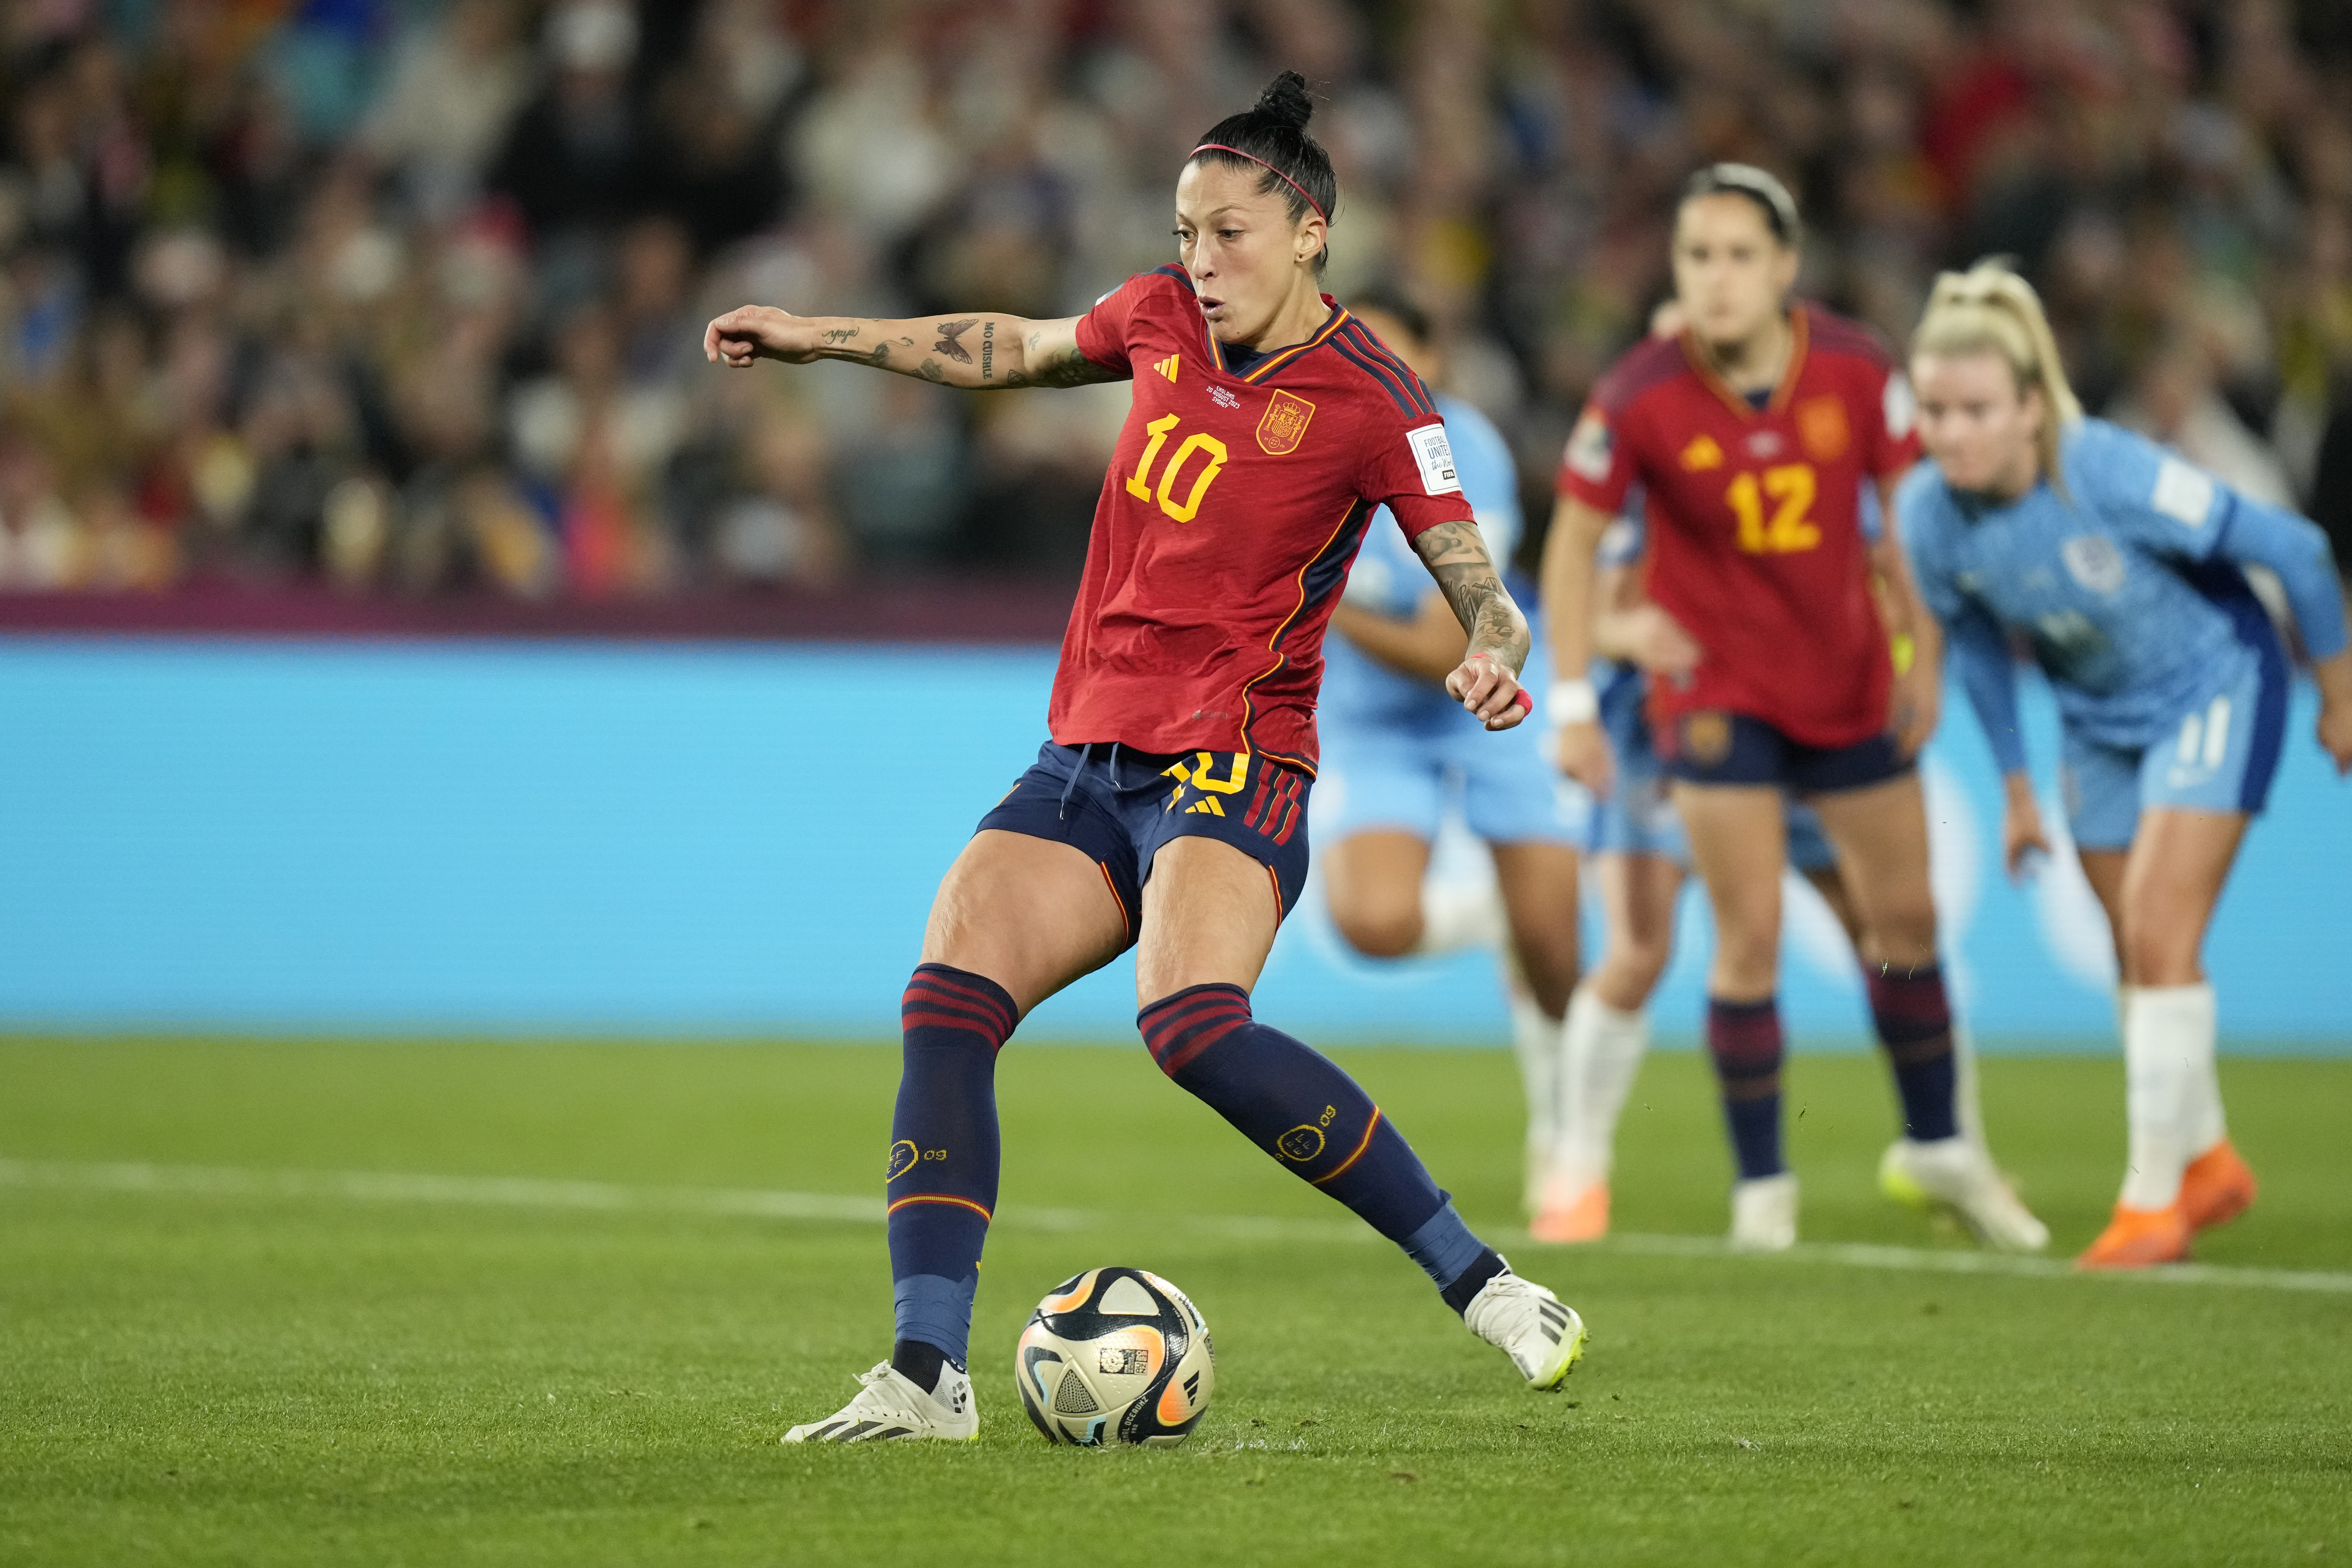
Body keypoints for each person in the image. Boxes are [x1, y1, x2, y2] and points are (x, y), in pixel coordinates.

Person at [706, 73, 1586, 1445]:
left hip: (1233, 762)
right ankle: (927, 1378)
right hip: (1087, 752)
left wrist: (1491, 639)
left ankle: (1482, 1286)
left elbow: (1475, 567)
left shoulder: (1372, 395)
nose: (1200, 260)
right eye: (1186, 231)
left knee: (1189, 1027)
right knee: (944, 1002)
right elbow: (1011, 347)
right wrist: (822, 338)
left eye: (1228, 232)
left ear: (1308, 234)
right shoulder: (1159, 318)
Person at [1540, 163, 2045, 1252]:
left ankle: (1942, 1146)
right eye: (1696, 257)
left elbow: (1913, 519)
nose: (1716, 279)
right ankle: (1763, 1198)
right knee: (1748, 940)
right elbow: (1574, 549)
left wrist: (1924, 646)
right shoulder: (1638, 391)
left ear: (1784, 267)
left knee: (1905, 931)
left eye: (1737, 256)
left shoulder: (1861, 370)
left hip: (1850, 683)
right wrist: (1573, 703)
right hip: (1717, 695)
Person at [1898, 261, 2352, 1269]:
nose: (1950, 432)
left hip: (2217, 685)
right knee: (2132, 947)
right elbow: (1971, 640)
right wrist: (2015, 787)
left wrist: (2341, 688)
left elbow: (2300, 548)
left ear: (2030, 408)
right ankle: (2210, 1161)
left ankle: (2151, 1204)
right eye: (1933, 410)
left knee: (2157, 929)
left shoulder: (2108, 470)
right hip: (2098, 720)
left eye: (1975, 409)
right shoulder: (1927, 513)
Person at [1314, 290, 1584, 1219]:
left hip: (1489, 698)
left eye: (1391, 355)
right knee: (1374, 923)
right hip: (1375, 725)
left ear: (1429, 362)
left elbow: (1446, 641)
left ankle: (1566, 1140)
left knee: (1558, 946)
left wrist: (1315, 600)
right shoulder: (1299, 445)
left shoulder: (1465, 451)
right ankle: (1491, 916)